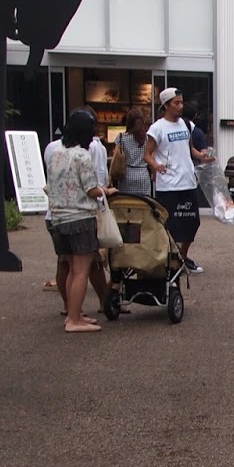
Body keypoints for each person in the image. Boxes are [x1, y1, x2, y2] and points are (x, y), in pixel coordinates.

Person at [44, 110, 114, 333]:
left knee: (71, 270)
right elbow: (91, 189)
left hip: (58, 218)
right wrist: (107, 191)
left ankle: (72, 313)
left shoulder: (56, 154)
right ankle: (74, 320)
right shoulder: (82, 156)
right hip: (80, 218)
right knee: (82, 271)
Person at [145, 86, 213, 274]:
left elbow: (190, 149)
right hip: (168, 186)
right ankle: (172, 260)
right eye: (176, 103)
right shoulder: (157, 128)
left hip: (187, 182)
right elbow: (147, 154)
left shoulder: (185, 124)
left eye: (182, 102)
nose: (181, 106)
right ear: (166, 105)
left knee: (192, 223)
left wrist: (202, 156)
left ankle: (182, 258)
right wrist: (156, 166)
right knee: (171, 226)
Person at [110, 106, 153, 196]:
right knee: (144, 202)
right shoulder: (147, 138)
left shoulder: (121, 138)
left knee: (127, 202)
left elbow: (115, 154)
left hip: (126, 175)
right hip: (143, 175)